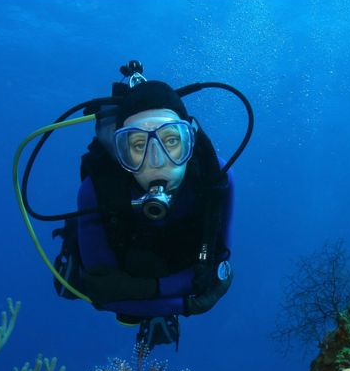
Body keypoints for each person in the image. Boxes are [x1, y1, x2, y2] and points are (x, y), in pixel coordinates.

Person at [74, 79, 234, 350]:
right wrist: (184, 302)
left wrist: (143, 294)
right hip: (130, 259)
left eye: (171, 140)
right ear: (120, 152)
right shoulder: (95, 191)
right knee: (72, 281)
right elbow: (100, 292)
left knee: (131, 299)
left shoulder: (215, 179)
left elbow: (217, 273)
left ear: (189, 142)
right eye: (138, 145)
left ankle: (150, 311)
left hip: (157, 271)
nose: (157, 160)